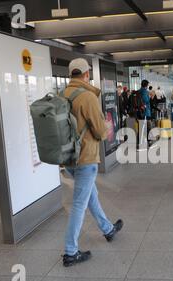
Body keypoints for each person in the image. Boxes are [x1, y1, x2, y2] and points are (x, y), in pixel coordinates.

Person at [62, 58, 123, 267]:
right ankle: (70, 251)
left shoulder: (63, 94)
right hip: (86, 157)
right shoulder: (87, 96)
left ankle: (107, 229)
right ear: (87, 74)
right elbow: (100, 131)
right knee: (79, 203)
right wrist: (106, 126)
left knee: (90, 195)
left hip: (68, 157)